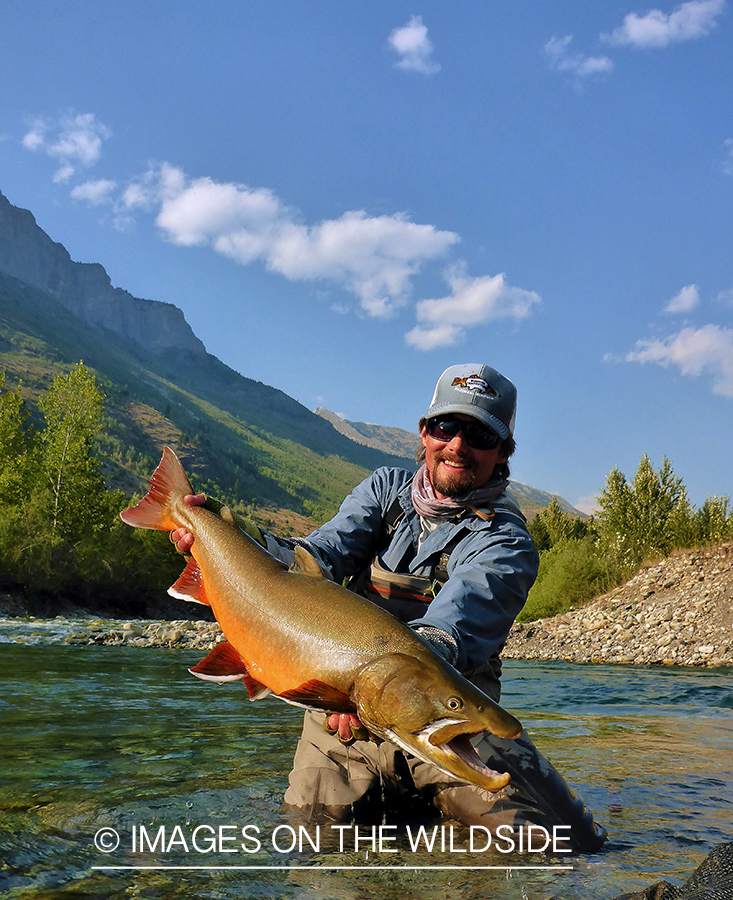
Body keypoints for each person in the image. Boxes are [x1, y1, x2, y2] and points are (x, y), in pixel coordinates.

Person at [171, 363, 606, 852]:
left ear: (504, 451)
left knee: (558, 845)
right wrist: (221, 543)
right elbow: (310, 563)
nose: (458, 445)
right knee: (310, 848)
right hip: (341, 718)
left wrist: (381, 691)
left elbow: (450, 633)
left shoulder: (507, 542)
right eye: (446, 427)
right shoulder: (384, 491)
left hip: (446, 726)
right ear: (424, 433)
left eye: (480, 434)